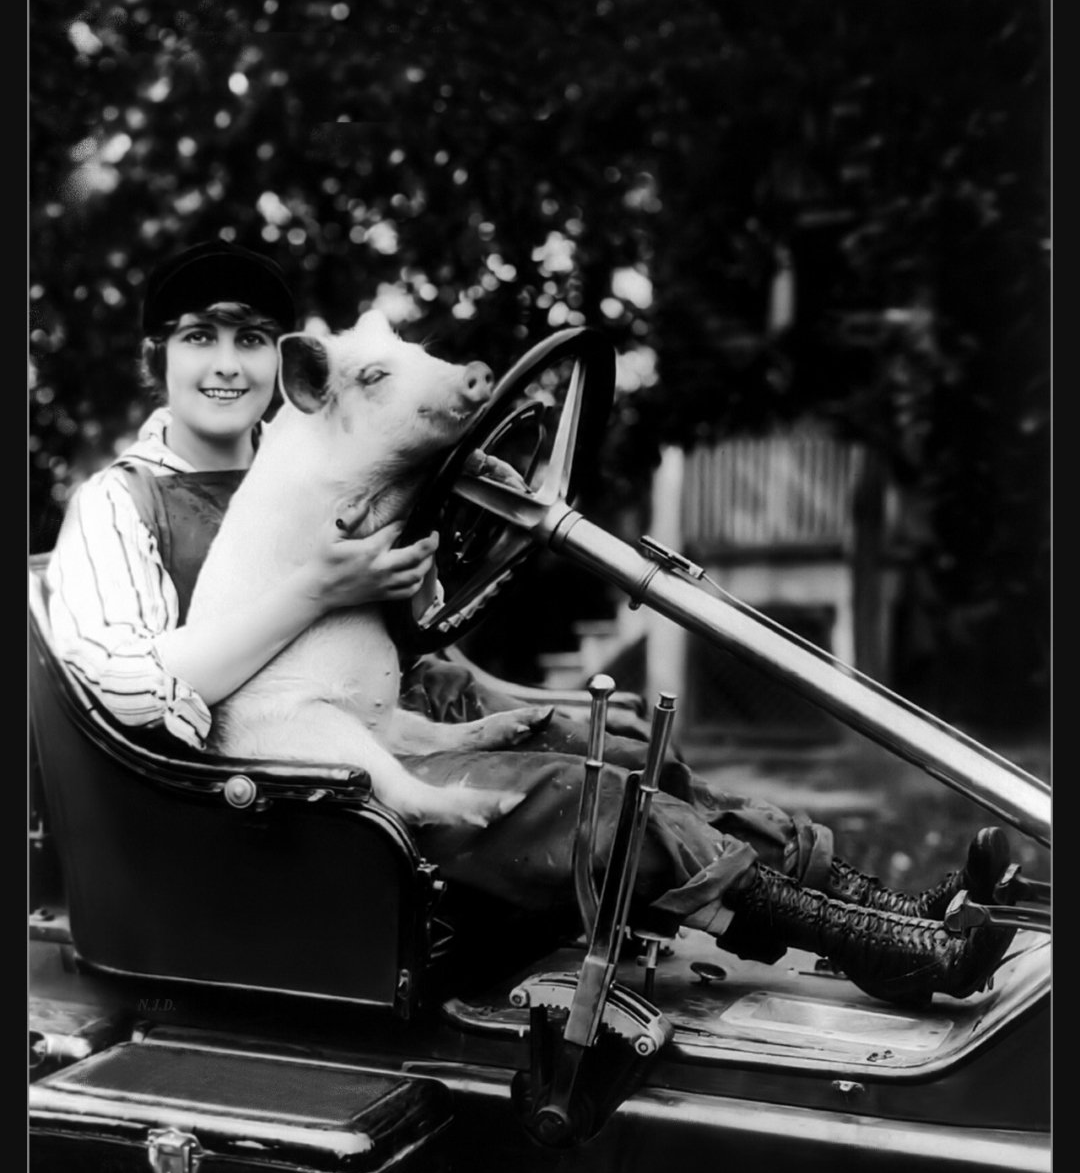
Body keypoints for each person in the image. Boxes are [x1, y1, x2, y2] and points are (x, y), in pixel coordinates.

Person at [44, 239, 1017, 1008]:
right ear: (155, 357)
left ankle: (880, 908)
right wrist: (314, 590)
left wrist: (458, 638)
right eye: (198, 338)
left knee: (621, 748)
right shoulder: (120, 506)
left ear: (285, 360)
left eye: (252, 338)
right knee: (586, 802)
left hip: (381, 724)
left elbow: (404, 640)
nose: (227, 363)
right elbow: (128, 696)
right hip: (265, 809)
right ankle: (884, 948)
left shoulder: (320, 459)